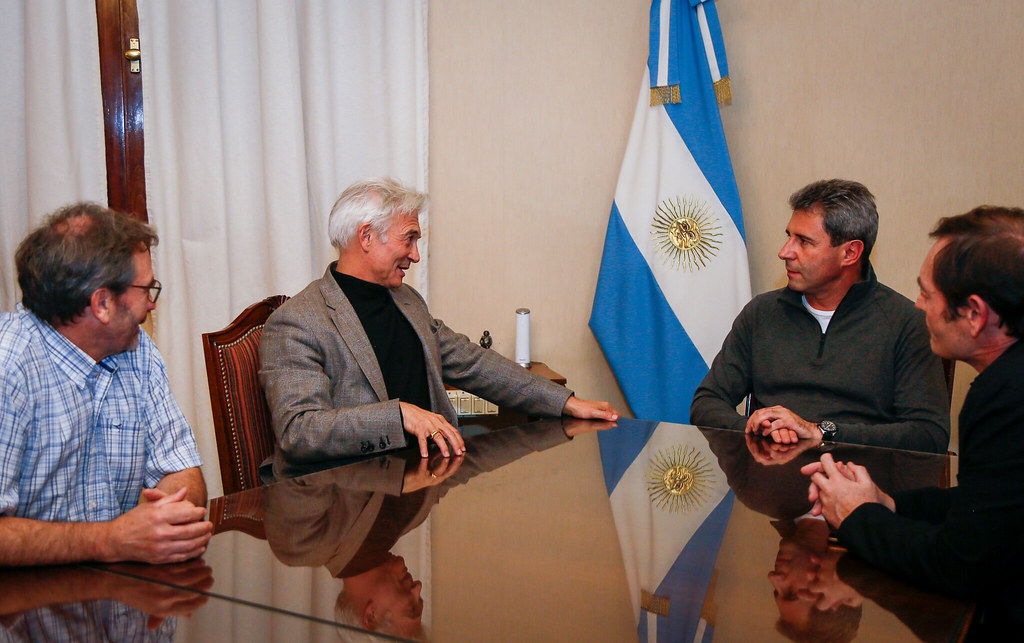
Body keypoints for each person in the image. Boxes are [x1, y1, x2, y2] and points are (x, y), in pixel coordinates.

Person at [260, 177, 618, 462]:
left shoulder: (407, 300)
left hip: (427, 479)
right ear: (366, 237)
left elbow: (474, 363)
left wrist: (564, 402)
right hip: (348, 498)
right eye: (409, 239)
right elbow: (299, 431)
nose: (415, 255)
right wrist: (399, 416)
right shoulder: (297, 322)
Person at [802, 206, 1024, 631]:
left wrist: (857, 517)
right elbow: (990, 508)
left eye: (927, 294)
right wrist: (890, 504)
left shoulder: (1007, 398)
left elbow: (959, 565)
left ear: (974, 314)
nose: (919, 306)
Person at [0, 203, 211, 566]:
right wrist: (111, 540)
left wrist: (162, 519)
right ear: (102, 303)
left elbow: (181, 469)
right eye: (146, 289)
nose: (151, 305)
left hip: (123, 588)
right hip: (28, 596)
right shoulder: (9, 367)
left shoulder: (136, 350)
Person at [691, 179, 949, 453]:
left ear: (850, 252)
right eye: (789, 236)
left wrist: (822, 432)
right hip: (771, 472)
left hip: (862, 474)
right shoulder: (761, 314)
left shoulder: (906, 323)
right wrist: (756, 429)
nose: (784, 252)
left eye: (804, 242)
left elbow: (929, 434)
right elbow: (707, 403)